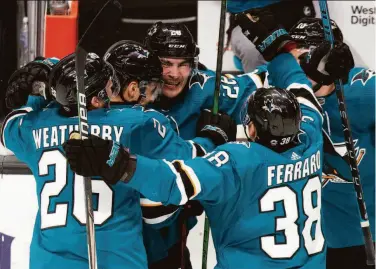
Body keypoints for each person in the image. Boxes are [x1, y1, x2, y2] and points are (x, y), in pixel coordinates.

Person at [62, 39, 345, 268]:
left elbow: (173, 183)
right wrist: (294, 59)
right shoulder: (311, 143)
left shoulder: (236, 160)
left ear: (253, 129)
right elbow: (305, 96)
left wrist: (119, 162)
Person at [1, 50, 236, 269]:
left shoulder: (32, 127)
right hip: (117, 258)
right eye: (110, 85)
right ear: (96, 98)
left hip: (49, 261)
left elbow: (9, 126)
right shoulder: (137, 124)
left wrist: (37, 94)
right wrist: (212, 137)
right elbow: (190, 158)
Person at [103, 40, 236, 269]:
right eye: (152, 87)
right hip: (149, 245)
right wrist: (213, 136)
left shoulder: (87, 117)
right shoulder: (146, 122)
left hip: (98, 244)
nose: (155, 95)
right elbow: (192, 157)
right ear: (133, 89)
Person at [288, 17, 375, 269]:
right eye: (294, 58)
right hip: (300, 238)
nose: (299, 67)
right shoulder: (279, 88)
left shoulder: (365, 89)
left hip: (360, 235)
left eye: (307, 57)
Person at [227, 0, 315, 72]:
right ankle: (262, 90)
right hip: (251, 15)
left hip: (296, 14)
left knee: (316, 54)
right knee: (254, 49)